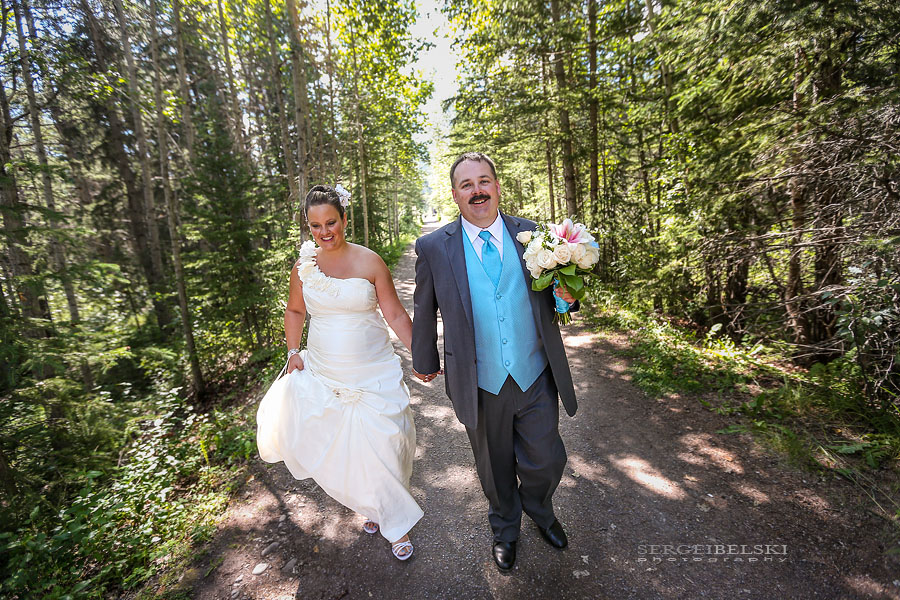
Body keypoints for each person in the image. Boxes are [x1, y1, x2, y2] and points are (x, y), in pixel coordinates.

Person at [411, 152, 578, 571]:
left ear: (497, 187)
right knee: (493, 466)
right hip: (479, 381)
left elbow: (558, 295)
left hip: (535, 373)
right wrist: (424, 358)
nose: (477, 191)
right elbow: (424, 307)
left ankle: (540, 510)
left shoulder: (534, 236)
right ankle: (505, 528)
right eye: (466, 185)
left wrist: (567, 299)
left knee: (546, 459)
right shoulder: (434, 247)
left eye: (484, 181)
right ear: (455, 195)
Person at [256, 185, 424, 561]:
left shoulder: (371, 262)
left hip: (373, 368)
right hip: (324, 372)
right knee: (349, 449)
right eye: (315, 226)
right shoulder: (303, 267)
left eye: (330, 222)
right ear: (308, 227)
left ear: (344, 219)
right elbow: (295, 311)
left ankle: (385, 506)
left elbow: (395, 313)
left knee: (387, 441)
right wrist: (293, 352)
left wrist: (422, 355)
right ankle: (390, 519)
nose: (324, 232)